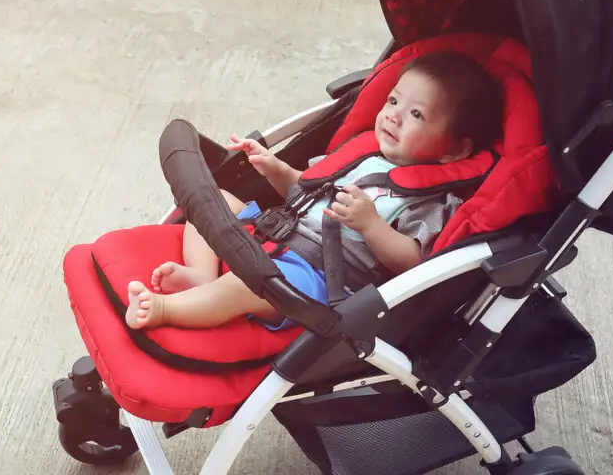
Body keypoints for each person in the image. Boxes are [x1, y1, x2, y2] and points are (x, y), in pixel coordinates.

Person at [123, 50, 505, 331]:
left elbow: (412, 263)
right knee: (214, 201)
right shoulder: (361, 155)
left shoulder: (431, 200)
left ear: (455, 150)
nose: (393, 115)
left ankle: (162, 310)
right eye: (392, 101)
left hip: (317, 280)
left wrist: (372, 225)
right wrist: (275, 168)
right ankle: (201, 275)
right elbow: (301, 191)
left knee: (244, 287)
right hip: (273, 234)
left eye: (417, 114)